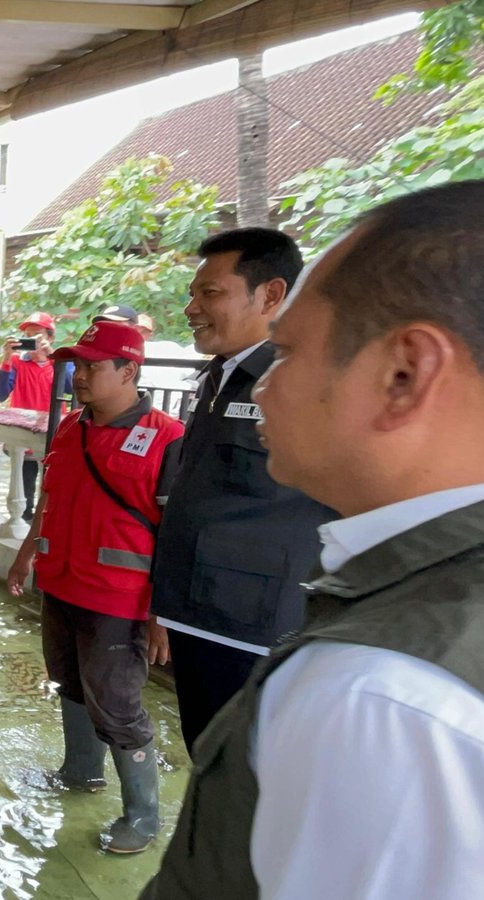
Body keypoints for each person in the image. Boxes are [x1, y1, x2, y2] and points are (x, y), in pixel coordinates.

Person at [143, 179, 484, 900]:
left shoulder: (385, 699)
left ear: (405, 374)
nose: (268, 385)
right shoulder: (425, 609)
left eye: (289, 353)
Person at [149, 228, 336, 748]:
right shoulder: (220, 376)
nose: (191, 308)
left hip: (254, 630)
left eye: (210, 293)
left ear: (271, 294)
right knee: (207, 754)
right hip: (197, 613)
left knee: (249, 776)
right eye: (193, 292)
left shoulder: (304, 381)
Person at [5, 322, 182, 854]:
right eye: (75, 366)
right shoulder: (70, 428)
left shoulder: (169, 438)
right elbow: (50, 501)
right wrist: (24, 555)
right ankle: (81, 772)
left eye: (91, 367)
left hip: (119, 600)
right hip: (61, 586)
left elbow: (179, 534)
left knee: (118, 704)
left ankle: (144, 818)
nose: (77, 377)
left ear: (129, 371)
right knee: (71, 683)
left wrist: (161, 614)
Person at [0, 312, 74, 520]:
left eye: (37, 335)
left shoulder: (60, 362)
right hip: (25, 437)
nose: (31, 340)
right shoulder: (16, 362)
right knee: (25, 493)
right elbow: (0, 394)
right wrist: (6, 358)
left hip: (54, 437)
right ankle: (26, 529)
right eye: (27, 335)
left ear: (50, 338)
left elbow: (73, 389)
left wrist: (53, 357)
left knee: (52, 490)